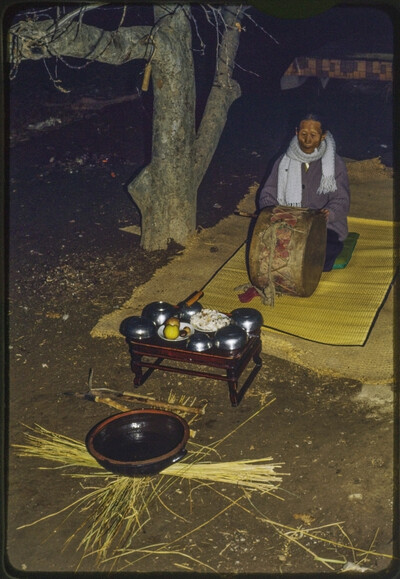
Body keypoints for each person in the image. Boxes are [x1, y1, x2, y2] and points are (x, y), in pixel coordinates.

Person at [258, 112, 350, 271]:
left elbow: (341, 200)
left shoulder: (334, 163)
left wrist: (328, 213)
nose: (307, 140)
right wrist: (276, 212)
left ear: (323, 136)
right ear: (296, 132)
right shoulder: (283, 161)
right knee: (266, 246)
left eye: (313, 135)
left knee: (319, 251)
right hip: (290, 224)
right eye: (303, 134)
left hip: (325, 227)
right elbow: (267, 194)